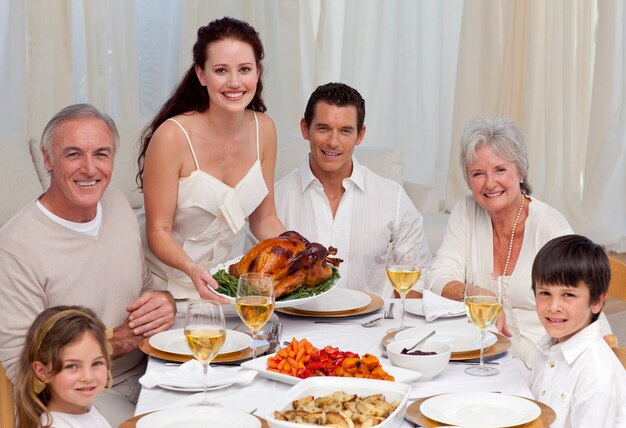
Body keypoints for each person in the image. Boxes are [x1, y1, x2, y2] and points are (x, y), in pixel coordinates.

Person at [0, 104, 176, 427]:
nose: (90, 168)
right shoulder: (14, 248)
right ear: (48, 159)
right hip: (81, 401)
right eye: (74, 154)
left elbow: (147, 287)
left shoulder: (118, 203)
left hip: (154, 370)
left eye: (101, 154)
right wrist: (121, 340)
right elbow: (25, 367)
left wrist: (165, 304)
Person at [426, 116, 611, 367]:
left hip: (549, 361)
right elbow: (437, 276)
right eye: (478, 173)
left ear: (521, 171)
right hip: (489, 357)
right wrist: (477, 294)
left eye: (500, 169)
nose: (490, 183)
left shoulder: (550, 226)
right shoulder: (466, 211)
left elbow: (577, 305)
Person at [136, 16, 284, 301]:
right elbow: (158, 231)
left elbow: (264, 220)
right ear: (202, 75)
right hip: (168, 290)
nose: (234, 82)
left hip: (229, 289)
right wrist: (192, 270)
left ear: (258, 72)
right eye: (221, 70)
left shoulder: (264, 129)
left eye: (244, 69)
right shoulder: (172, 137)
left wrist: (300, 250)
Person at [273, 82, 431, 298]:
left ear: (360, 135)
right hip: (297, 328)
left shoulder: (393, 199)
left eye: (345, 131)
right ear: (305, 128)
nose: (333, 142)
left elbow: (419, 280)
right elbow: (254, 284)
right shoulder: (274, 201)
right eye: (323, 128)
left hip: (372, 328)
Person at [529, 235, 625, 428]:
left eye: (568, 295)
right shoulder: (548, 346)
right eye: (545, 293)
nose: (554, 306)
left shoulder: (597, 377)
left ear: (597, 301)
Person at [15, 306, 112, 428]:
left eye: (96, 363)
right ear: (42, 372)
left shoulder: (88, 410)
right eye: (72, 366)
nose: (88, 377)